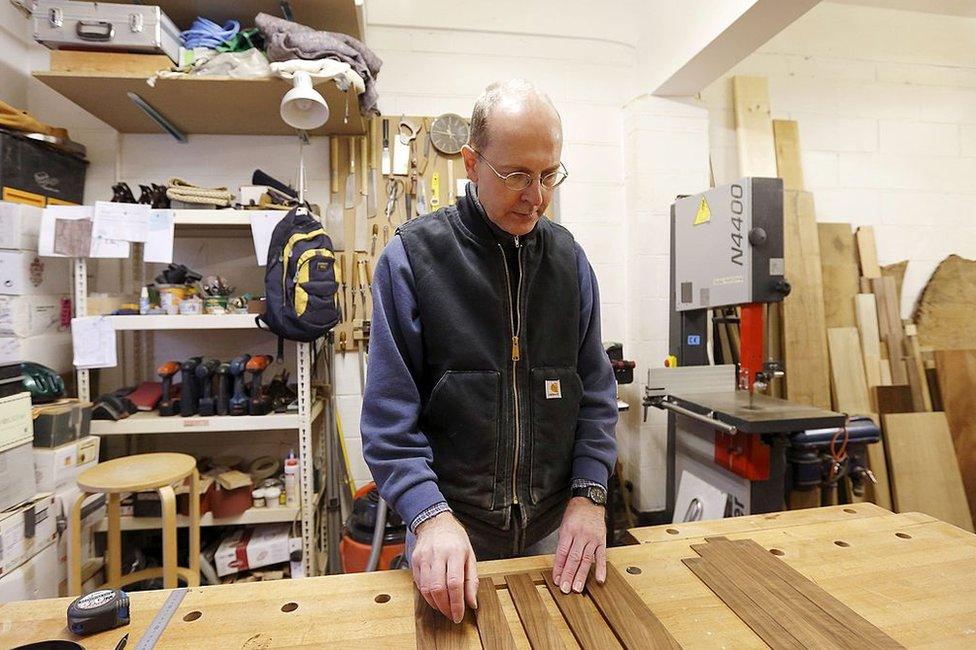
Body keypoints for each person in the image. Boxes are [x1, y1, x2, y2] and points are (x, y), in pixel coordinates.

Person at [361, 79, 618, 623]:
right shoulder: (411, 260)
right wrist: (427, 516)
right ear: (472, 163)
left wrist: (589, 496)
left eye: (549, 174)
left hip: (556, 531)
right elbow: (388, 424)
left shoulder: (570, 263)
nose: (538, 196)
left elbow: (596, 396)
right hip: (452, 539)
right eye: (518, 175)